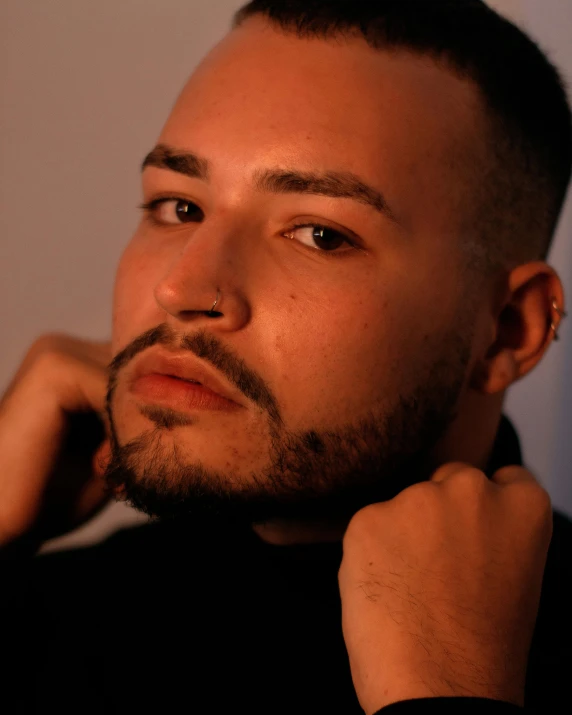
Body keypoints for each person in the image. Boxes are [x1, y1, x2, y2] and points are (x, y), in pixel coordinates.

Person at [1, 0, 570, 712]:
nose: (184, 287)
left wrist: (450, 699)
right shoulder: (47, 611)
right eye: (179, 207)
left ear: (509, 330)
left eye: (319, 235)